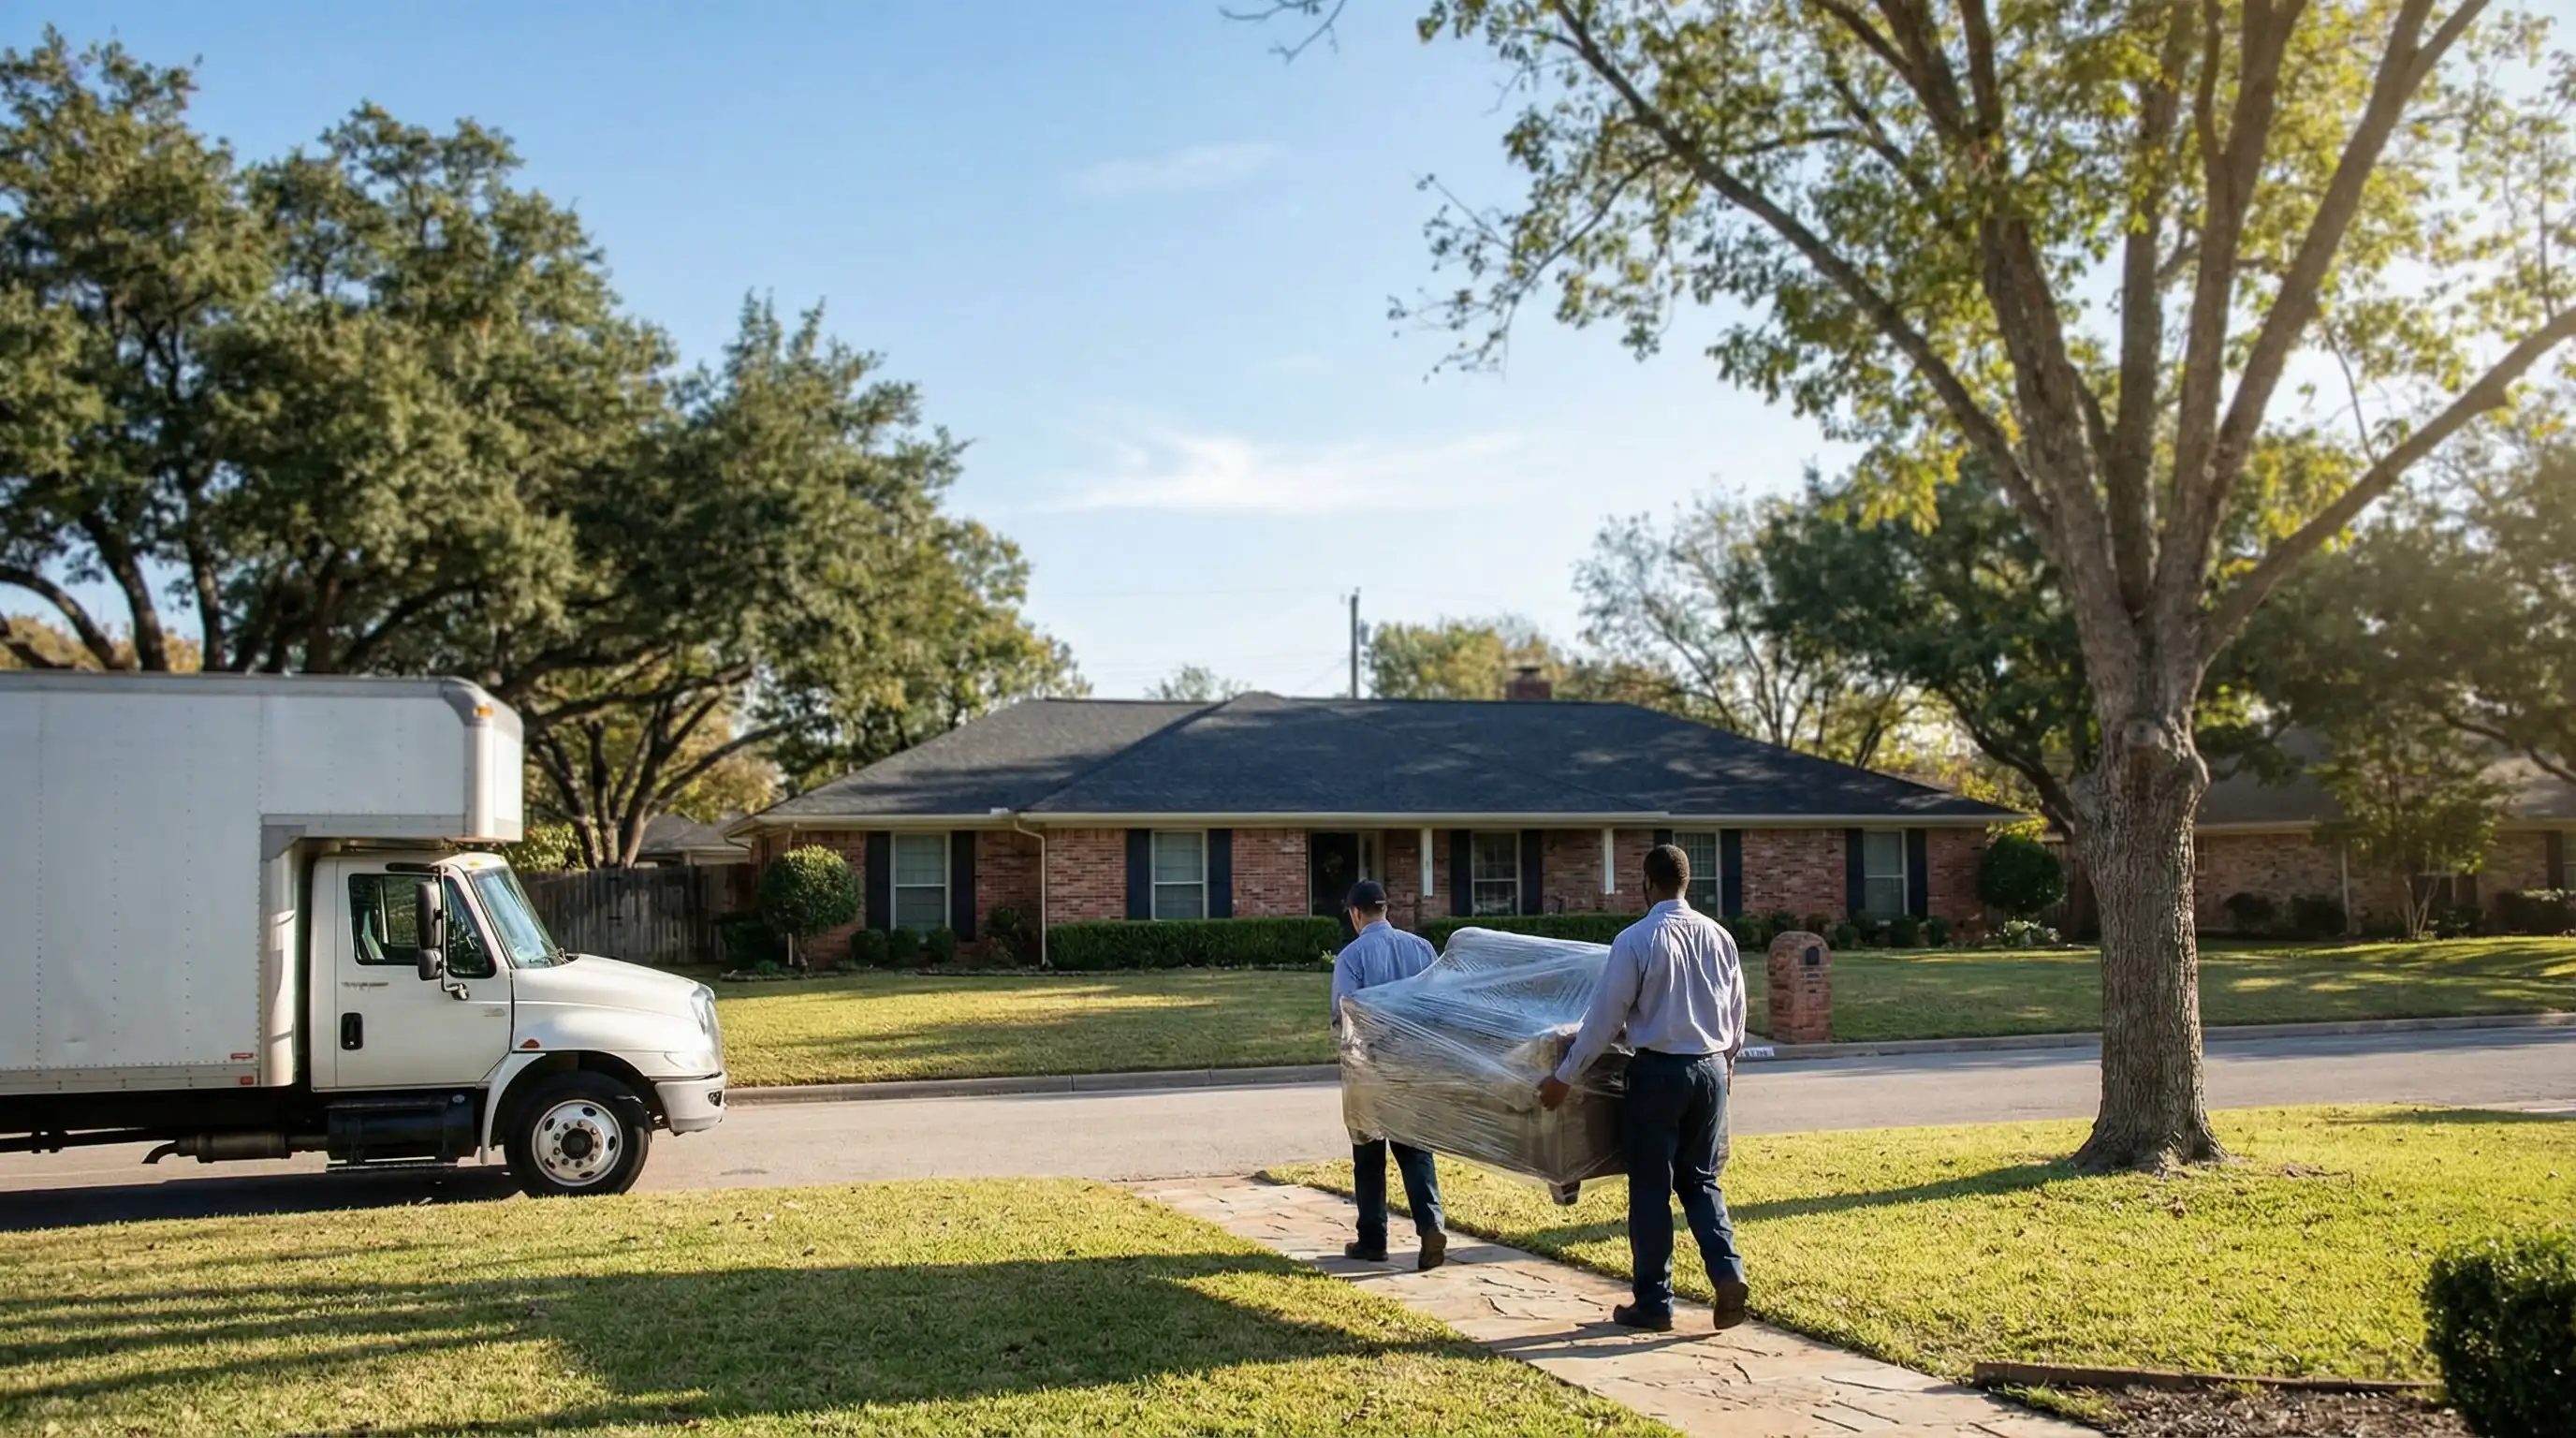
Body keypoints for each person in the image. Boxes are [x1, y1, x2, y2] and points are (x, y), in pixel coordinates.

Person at [1537, 844, 1749, 1332]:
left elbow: (1604, 1020)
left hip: (1658, 1074)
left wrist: (1565, 1076)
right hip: (1711, 1070)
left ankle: (1654, 1303)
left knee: (1651, 1188)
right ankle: (1727, 1272)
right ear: (1686, 883)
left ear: (1647, 885)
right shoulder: (1720, 937)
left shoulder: (1637, 939)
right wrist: (1728, 1065)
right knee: (1700, 1181)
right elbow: (1737, 1013)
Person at [1329, 879, 1447, 1270]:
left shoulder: (1352, 956)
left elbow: (1345, 1012)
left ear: (1355, 914)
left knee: (1368, 1154)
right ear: (1386, 910)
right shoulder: (1422, 948)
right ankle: (1430, 1224)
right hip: (1415, 1064)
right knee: (1415, 1150)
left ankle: (1373, 1238)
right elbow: (1438, 1005)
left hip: (1370, 1065)